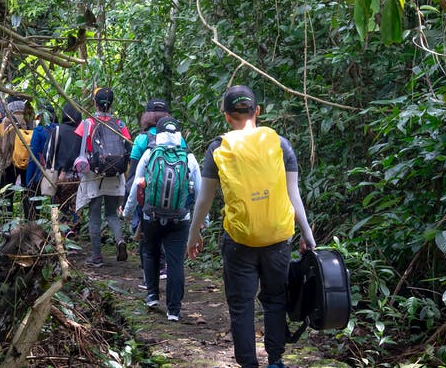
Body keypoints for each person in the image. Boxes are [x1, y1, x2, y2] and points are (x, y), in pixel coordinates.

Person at [187, 85, 317, 368]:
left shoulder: (218, 147)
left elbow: (204, 200)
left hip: (240, 241)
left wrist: (194, 234)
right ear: (257, 111)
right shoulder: (280, 144)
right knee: (275, 300)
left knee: (242, 306)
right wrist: (307, 234)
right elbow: (293, 195)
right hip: (278, 238)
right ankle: (275, 360)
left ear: (226, 116)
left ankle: (248, 364)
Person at [124, 116, 200, 322]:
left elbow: (135, 186)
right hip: (180, 218)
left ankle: (152, 295)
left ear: (157, 135)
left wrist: (128, 212)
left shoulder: (149, 154)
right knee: (176, 262)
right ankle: (174, 310)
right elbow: (200, 192)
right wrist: (204, 220)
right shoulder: (189, 158)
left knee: (151, 253)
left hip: (151, 216)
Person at [73, 87, 132, 268]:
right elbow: (128, 149)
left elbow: (79, 149)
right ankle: (120, 239)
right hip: (115, 175)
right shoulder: (120, 124)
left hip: (94, 175)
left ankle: (97, 256)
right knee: (112, 214)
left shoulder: (88, 123)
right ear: (111, 103)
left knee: (95, 216)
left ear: (95, 102)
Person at [129, 97, 179, 289]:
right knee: (169, 233)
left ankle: (149, 276)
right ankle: (165, 268)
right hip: (173, 197)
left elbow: (133, 174)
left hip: (146, 197)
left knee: (145, 234)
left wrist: (128, 201)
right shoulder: (178, 138)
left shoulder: (142, 139)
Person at [45, 101, 83, 235]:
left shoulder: (57, 130)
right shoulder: (81, 132)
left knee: (59, 207)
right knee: (75, 206)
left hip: (60, 176)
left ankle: (62, 235)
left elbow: (49, 153)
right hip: (78, 176)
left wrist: (49, 168)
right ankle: (73, 233)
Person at [0, 98, 33, 216]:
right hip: (27, 161)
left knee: (8, 192)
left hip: (11, 162)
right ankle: (28, 218)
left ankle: (8, 219)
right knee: (26, 191)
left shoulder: (8, 120)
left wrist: (1, 163)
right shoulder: (29, 120)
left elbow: (5, 144)